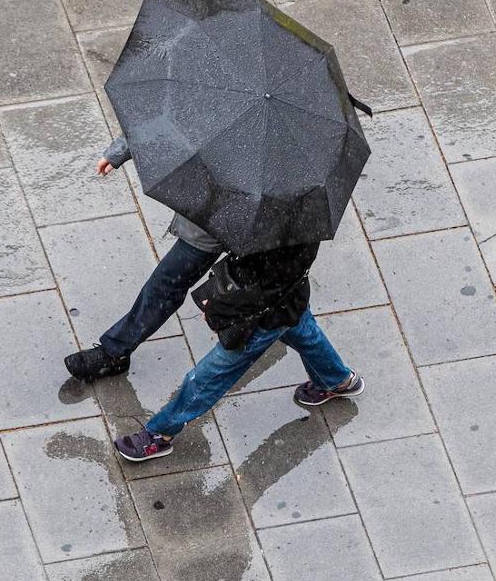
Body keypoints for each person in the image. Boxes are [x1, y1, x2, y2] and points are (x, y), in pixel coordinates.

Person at [81, 139, 364, 462]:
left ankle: (160, 432)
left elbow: (258, 283)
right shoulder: (304, 200)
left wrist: (216, 306)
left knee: (212, 374)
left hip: (264, 309)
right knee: (300, 326)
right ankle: (338, 380)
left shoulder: (272, 222)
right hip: (289, 297)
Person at [63, 137, 223, 382]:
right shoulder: (223, 102)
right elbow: (171, 116)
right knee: (166, 285)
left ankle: (114, 352)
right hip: (209, 220)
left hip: (251, 225)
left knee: (281, 296)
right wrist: (123, 150)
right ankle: (115, 351)